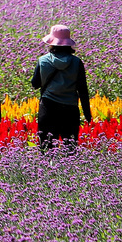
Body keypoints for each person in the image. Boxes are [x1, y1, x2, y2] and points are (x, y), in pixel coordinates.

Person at [31, 25, 92, 153]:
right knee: (69, 151)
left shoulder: (42, 61)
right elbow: (82, 89)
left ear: (51, 43)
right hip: (69, 111)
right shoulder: (76, 62)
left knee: (47, 150)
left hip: (48, 109)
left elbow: (35, 84)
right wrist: (87, 114)